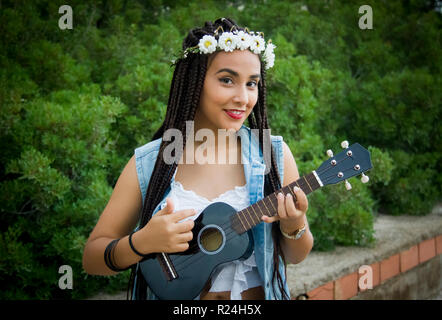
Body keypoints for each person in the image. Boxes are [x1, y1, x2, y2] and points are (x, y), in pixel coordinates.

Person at [82, 17, 313, 300]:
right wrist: (140, 242)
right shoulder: (151, 163)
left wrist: (294, 223)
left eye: (252, 83)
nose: (243, 97)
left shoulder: (273, 155)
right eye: (227, 80)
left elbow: (297, 255)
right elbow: (92, 259)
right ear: (194, 81)